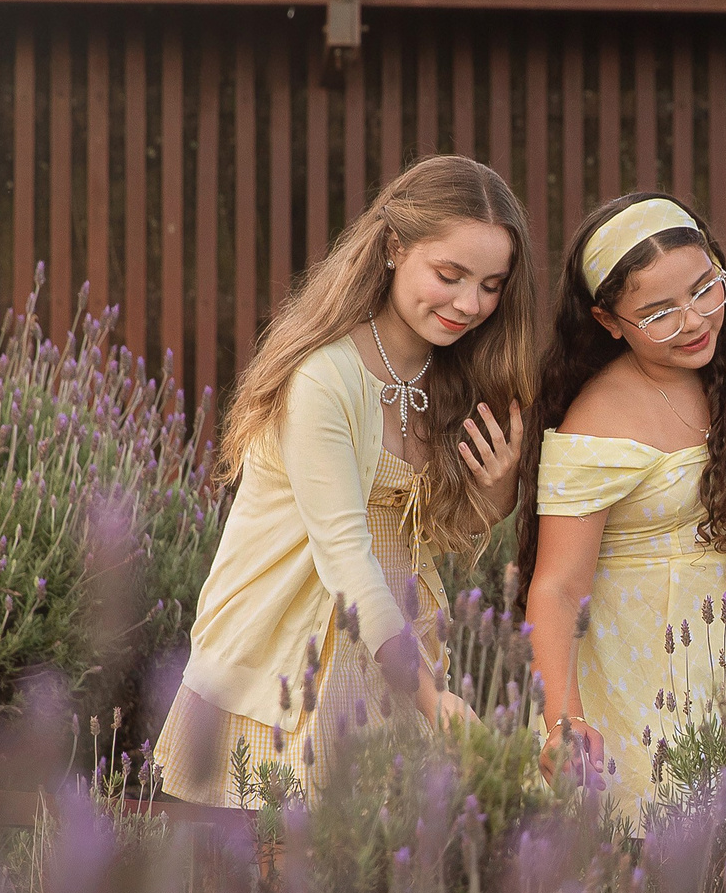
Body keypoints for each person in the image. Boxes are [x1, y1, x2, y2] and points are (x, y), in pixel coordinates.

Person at [157, 155, 539, 805]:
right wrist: (435, 702)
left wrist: (499, 493)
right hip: (283, 671)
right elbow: (348, 561)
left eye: (491, 284)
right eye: (449, 275)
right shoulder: (325, 378)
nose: (471, 304)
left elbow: (423, 537)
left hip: (389, 662)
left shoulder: (449, 377)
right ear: (393, 247)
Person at [519, 194, 726, 820]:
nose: (691, 321)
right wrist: (565, 723)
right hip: (643, 693)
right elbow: (556, 586)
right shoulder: (599, 419)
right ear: (608, 322)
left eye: (703, 289)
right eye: (657, 313)